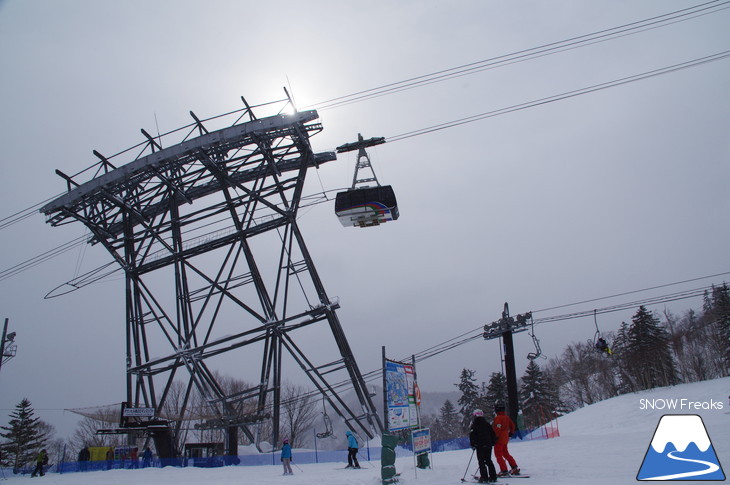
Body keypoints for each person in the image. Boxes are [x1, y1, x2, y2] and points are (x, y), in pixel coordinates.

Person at [469, 409, 497, 483]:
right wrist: (493, 442)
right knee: (488, 460)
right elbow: (493, 434)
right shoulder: (487, 424)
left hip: (480, 445)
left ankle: (484, 477)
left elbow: (472, 436)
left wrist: (473, 444)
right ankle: (493, 477)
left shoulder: (474, 425)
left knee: (481, 461)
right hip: (488, 445)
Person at [492, 403, 520, 477]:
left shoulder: (498, 418)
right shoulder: (506, 417)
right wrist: (511, 433)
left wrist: (495, 437)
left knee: (498, 455)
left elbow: (498, 428)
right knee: (505, 453)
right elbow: (513, 426)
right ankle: (514, 467)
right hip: (505, 438)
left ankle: (504, 470)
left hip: (499, 439)